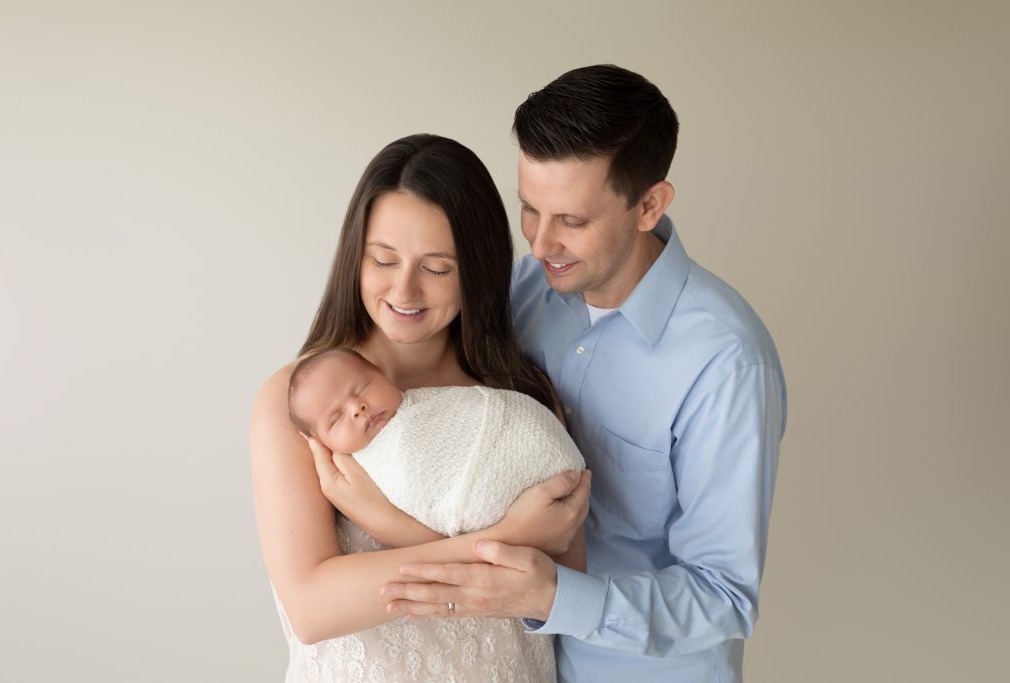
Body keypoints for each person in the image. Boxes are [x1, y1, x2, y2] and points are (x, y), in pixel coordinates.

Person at [380, 65, 787, 682]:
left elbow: (725, 597)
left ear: (649, 204)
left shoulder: (727, 362)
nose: (541, 245)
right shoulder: (523, 292)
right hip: (515, 664)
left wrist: (551, 598)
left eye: (572, 221)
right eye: (529, 210)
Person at [250, 134, 591, 682]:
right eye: (383, 260)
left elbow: (559, 599)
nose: (404, 290)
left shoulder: (519, 398)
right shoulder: (302, 404)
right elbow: (312, 609)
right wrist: (510, 541)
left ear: (476, 271)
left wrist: (389, 524)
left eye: (436, 269)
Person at [287, 346, 585, 537]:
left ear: (383, 375)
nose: (357, 408)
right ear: (322, 442)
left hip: (528, 442)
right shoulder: (355, 471)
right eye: (336, 418)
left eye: (363, 387)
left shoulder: (428, 405)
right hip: (484, 504)